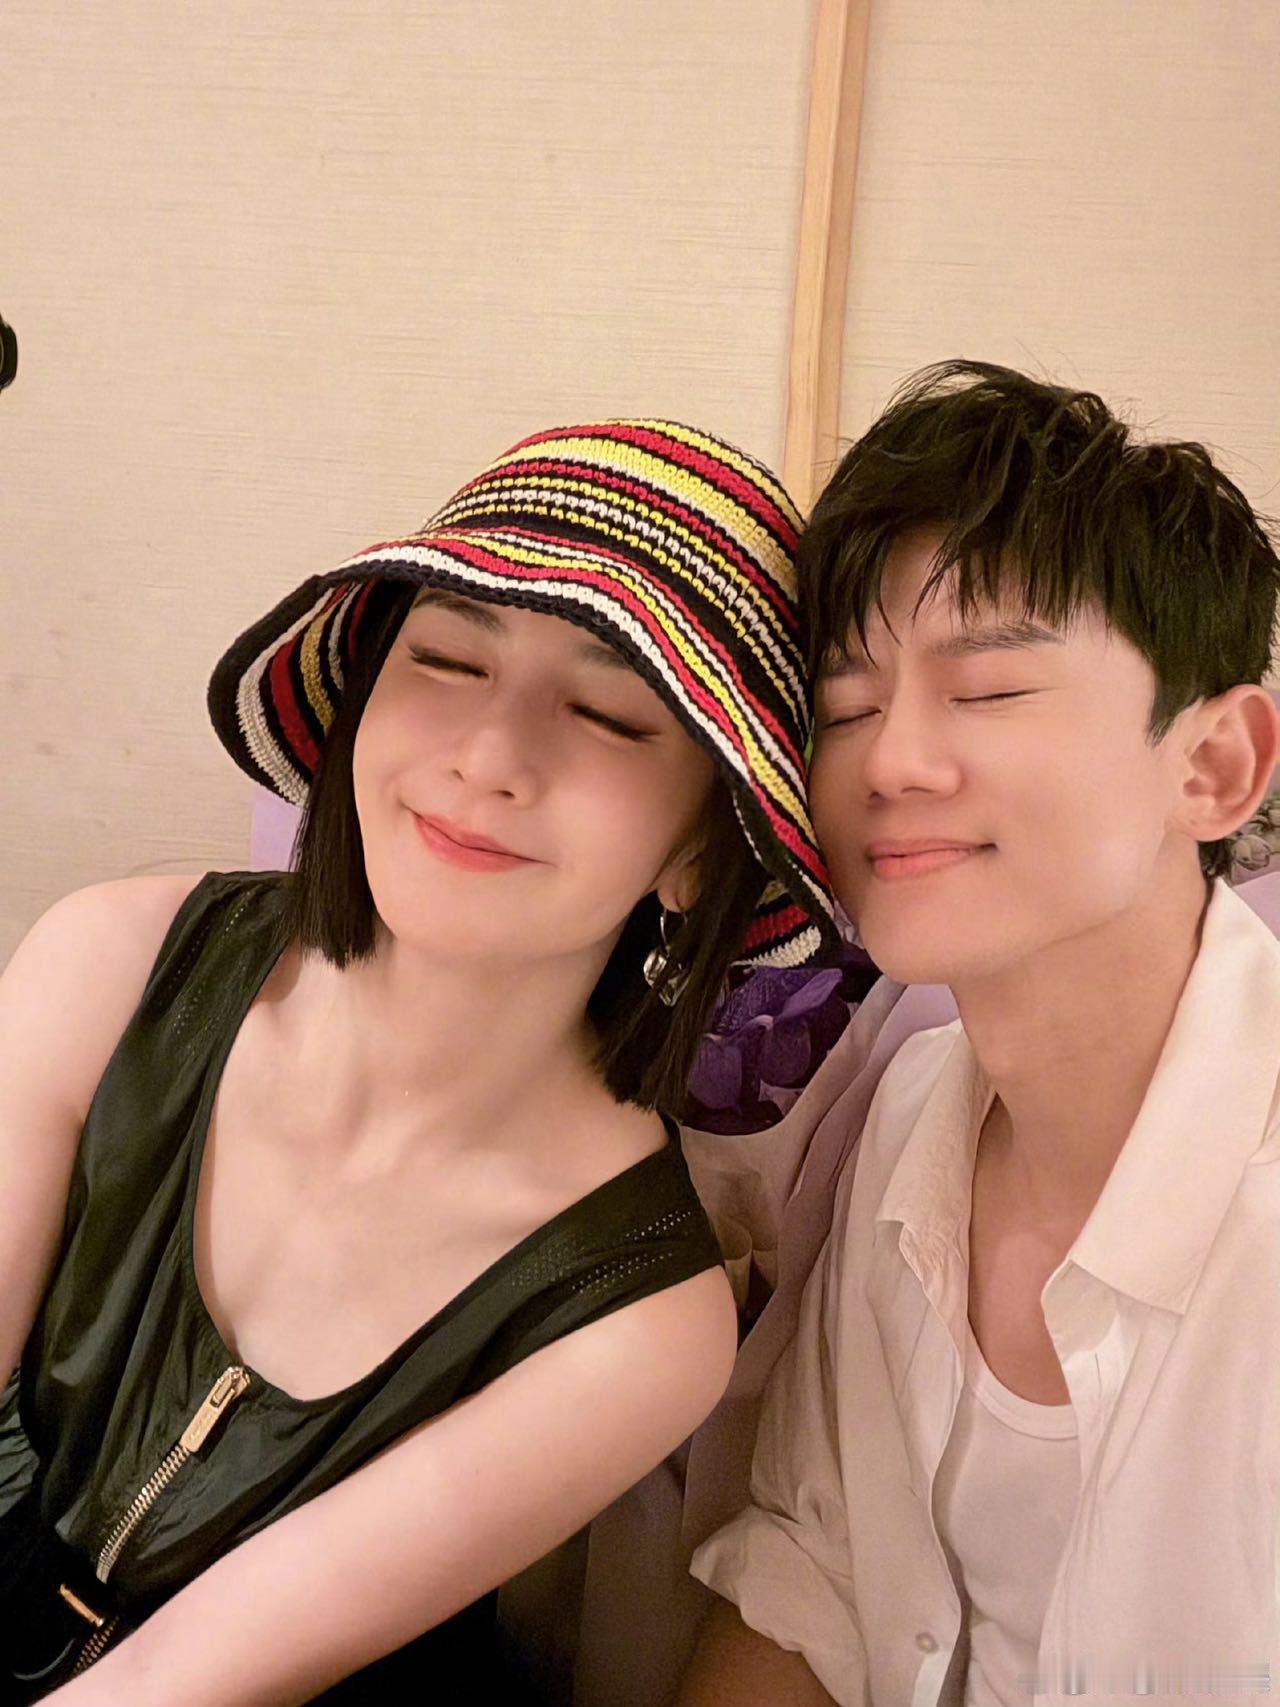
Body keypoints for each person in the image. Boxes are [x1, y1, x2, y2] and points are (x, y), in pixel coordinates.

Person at [0, 419, 839, 1705]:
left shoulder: (641, 1323)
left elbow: (183, 1678)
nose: (486, 759)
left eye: (609, 715)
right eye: (446, 658)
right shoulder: (108, 964)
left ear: (699, 849)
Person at [679, 363, 1280, 1706]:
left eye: (990, 689)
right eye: (845, 708)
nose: (889, 763)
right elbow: (812, 1576)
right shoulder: (912, 1110)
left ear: (1213, 767)